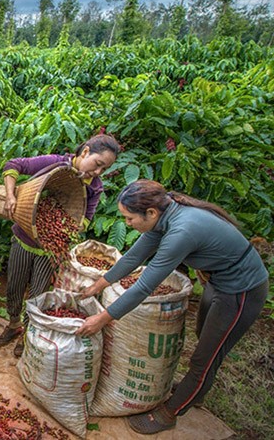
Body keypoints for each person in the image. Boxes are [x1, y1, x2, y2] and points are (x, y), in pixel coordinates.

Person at [75, 179, 268, 435]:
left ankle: (170, 413)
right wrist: (98, 285)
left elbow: (144, 286)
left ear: (151, 213)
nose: (127, 223)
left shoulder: (181, 232)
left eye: (129, 218)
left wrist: (102, 319)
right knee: (203, 338)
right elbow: (134, 257)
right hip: (217, 283)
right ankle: (195, 390)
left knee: (205, 357)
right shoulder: (163, 216)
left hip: (241, 291)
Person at [0, 134, 120, 357]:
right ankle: (13, 325)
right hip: (23, 239)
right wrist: (11, 196)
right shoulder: (55, 163)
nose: (98, 172)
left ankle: (27, 334)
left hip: (50, 251)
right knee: (14, 285)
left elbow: (86, 219)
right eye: (98, 164)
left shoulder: (94, 188)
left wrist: (68, 225)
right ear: (85, 152)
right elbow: (13, 165)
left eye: (104, 169)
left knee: (38, 294)